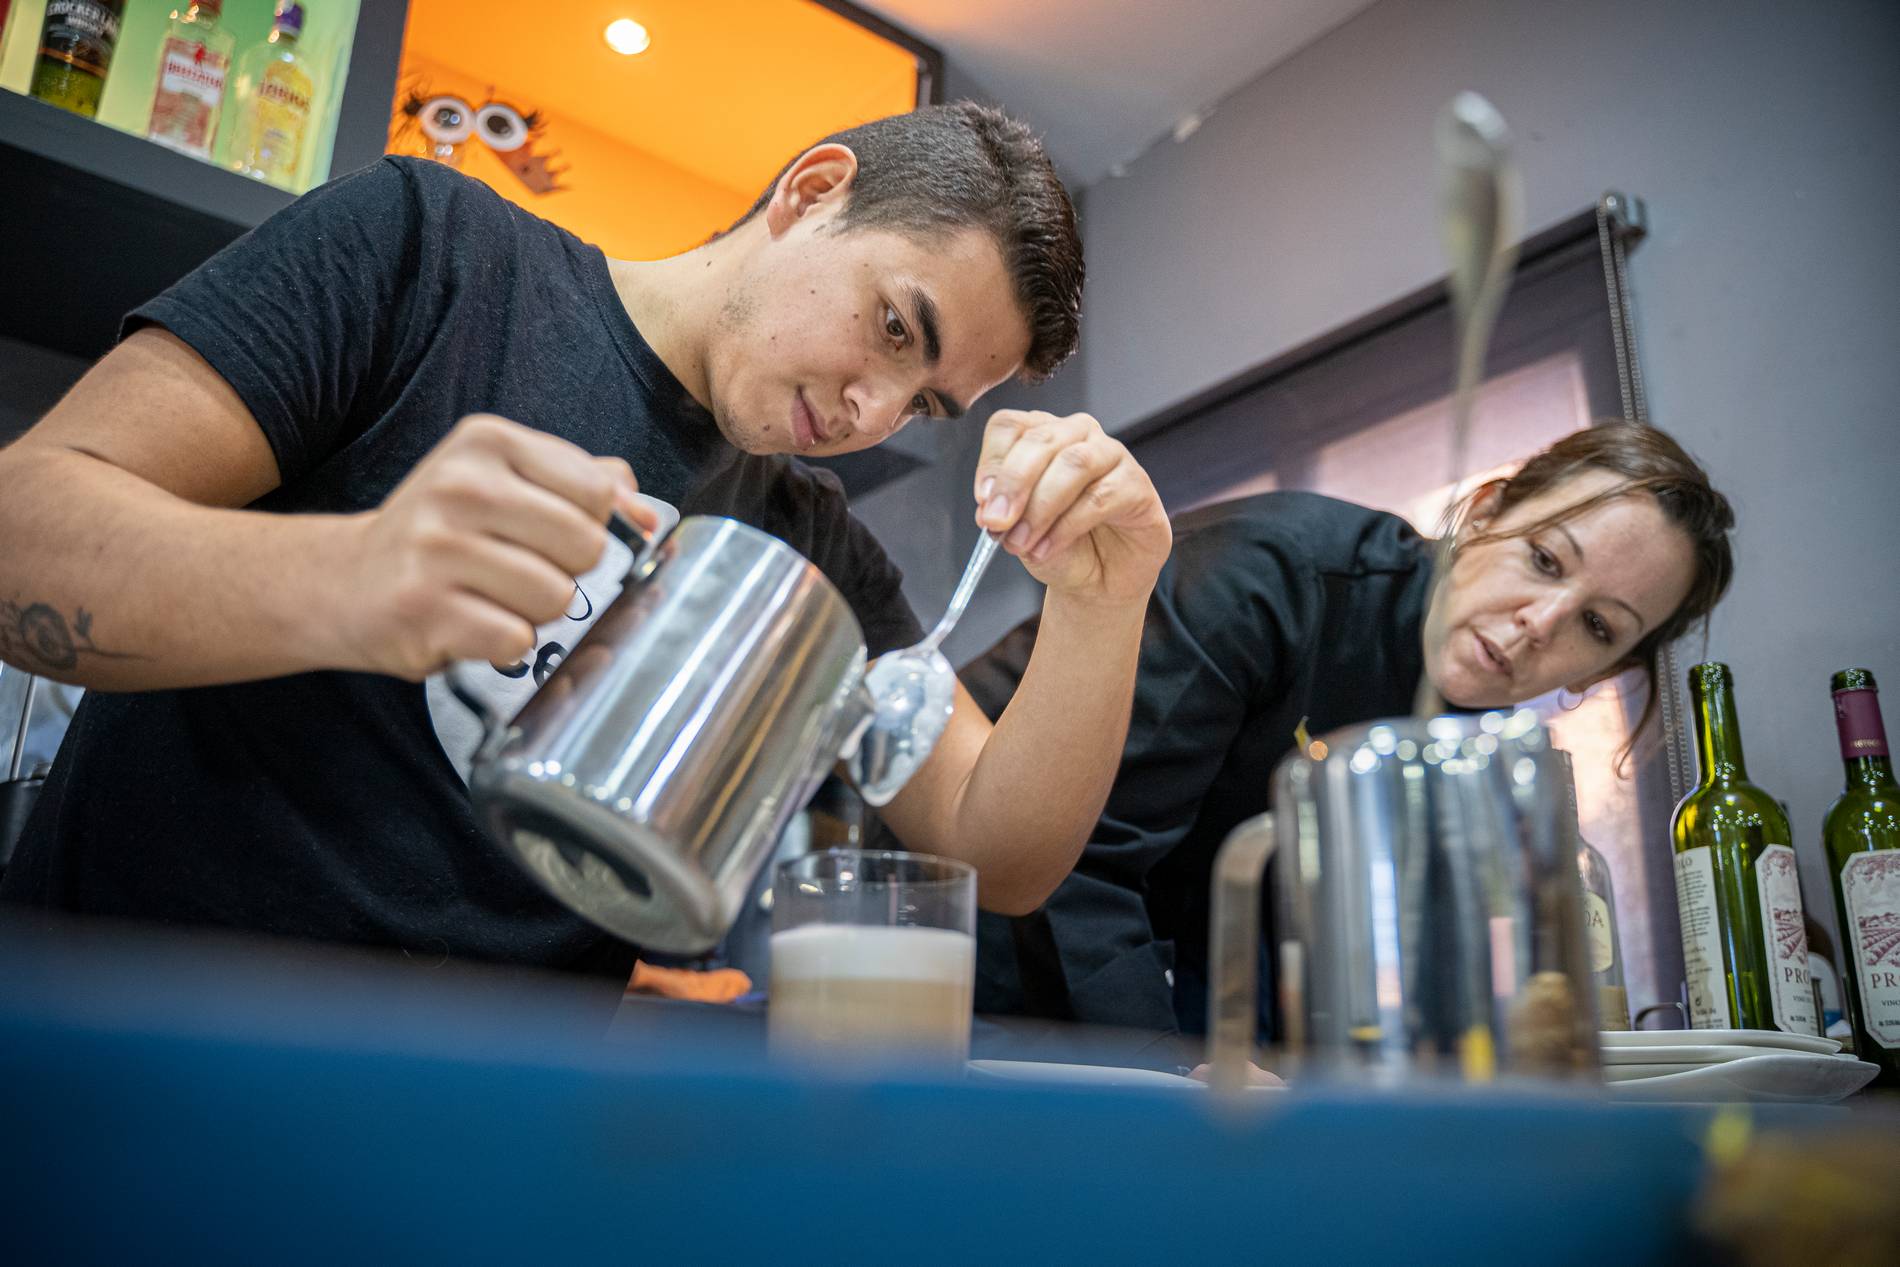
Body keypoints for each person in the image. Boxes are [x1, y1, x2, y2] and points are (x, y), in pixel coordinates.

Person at [0, 103, 1171, 982]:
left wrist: (1103, 598)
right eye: (892, 326)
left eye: (922, 406)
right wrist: (347, 580)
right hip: (134, 1043)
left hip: (486, 1146)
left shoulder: (805, 544)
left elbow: (994, 849)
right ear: (813, 191)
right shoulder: (429, 255)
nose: (873, 413)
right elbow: (26, 527)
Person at [955, 423, 1735, 1036]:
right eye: (1543, 558)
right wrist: (1172, 1077)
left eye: (1597, 625)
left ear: (1600, 673)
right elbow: (1081, 857)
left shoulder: (1475, 760)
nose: (1540, 622)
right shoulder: (1275, 576)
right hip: (958, 919)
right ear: (1489, 509)